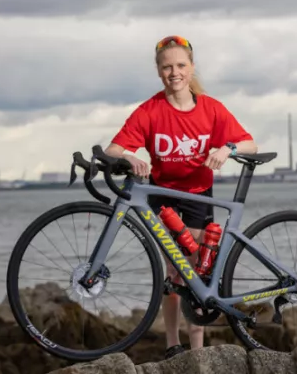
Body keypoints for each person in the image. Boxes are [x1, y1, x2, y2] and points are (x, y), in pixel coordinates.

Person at [104, 35, 258, 359]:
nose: (174, 72)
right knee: (173, 273)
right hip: (163, 196)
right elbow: (112, 150)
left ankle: (199, 352)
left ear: (191, 68)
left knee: (196, 271)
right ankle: (173, 345)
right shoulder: (150, 111)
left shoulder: (211, 109)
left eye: (180, 65)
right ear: (159, 72)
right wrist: (129, 158)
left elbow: (250, 144)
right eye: (166, 67)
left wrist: (226, 148)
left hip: (199, 197)